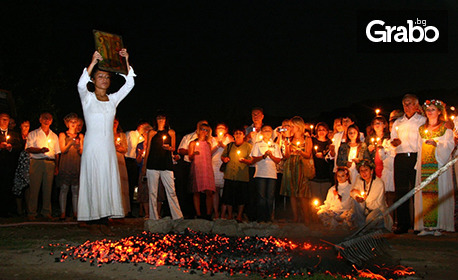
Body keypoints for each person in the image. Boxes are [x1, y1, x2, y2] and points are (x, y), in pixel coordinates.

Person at [77, 49, 135, 235]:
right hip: (92, 146)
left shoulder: (112, 100)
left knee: (106, 179)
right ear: (94, 80)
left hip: (108, 147)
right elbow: (80, 83)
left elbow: (130, 83)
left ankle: (104, 220)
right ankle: (93, 220)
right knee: (93, 179)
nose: (104, 79)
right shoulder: (87, 98)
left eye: (107, 77)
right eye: (100, 76)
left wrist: (125, 61)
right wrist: (93, 61)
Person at [414, 100, 455, 236]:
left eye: (433, 109)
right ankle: (426, 226)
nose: (430, 112)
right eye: (428, 110)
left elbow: (449, 144)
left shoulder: (445, 127)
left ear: (439, 111)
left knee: (439, 193)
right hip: (425, 164)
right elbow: (419, 147)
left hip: (438, 163)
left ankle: (438, 226)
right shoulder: (421, 129)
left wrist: (437, 144)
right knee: (424, 194)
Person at [390, 94, 426, 234]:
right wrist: (394, 143)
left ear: (416, 105)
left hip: (416, 157)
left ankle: (418, 224)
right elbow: (393, 139)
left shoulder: (422, 121)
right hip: (401, 158)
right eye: (404, 104)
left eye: (410, 103)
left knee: (417, 191)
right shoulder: (398, 122)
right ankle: (403, 224)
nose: (407, 106)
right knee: (401, 191)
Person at [142, 112, 183, 220]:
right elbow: (148, 149)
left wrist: (170, 148)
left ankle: (177, 217)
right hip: (153, 163)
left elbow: (173, 147)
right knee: (152, 192)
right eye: (158, 118)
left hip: (166, 164)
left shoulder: (171, 132)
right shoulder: (152, 132)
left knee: (171, 190)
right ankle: (154, 217)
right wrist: (144, 166)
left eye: (162, 118)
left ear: (166, 120)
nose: (160, 120)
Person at [25, 112, 61, 220]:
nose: (47, 120)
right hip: (37, 162)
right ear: (40, 120)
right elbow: (28, 148)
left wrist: (56, 166)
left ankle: (46, 212)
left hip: (50, 163)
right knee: (34, 188)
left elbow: (57, 152)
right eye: (45, 118)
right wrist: (40, 150)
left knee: (48, 188)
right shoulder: (33, 134)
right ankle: (32, 212)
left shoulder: (54, 136)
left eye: (49, 118)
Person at [280, 116, 313, 224]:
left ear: (298, 127)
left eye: (292, 126)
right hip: (290, 166)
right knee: (292, 193)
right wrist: (287, 146)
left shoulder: (307, 139)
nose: (290, 128)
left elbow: (308, 154)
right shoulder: (289, 139)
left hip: (301, 166)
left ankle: (307, 218)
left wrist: (299, 151)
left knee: (302, 193)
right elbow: (286, 156)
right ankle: (295, 217)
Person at [250, 125, 282, 222]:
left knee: (270, 196)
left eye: (269, 131)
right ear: (262, 133)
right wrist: (263, 157)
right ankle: (261, 217)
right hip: (260, 173)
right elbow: (253, 159)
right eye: (265, 131)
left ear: (272, 132)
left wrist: (271, 156)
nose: (267, 132)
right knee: (261, 197)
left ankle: (269, 218)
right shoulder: (257, 144)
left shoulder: (275, 145)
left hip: (272, 174)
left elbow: (278, 160)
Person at [177, 120, 209, 217]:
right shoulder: (189, 137)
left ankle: (204, 212)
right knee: (190, 189)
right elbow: (180, 150)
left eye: (205, 126)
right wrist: (192, 151)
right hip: (189, 164)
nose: (203, 129)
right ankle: (189, 212)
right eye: (201, 126)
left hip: (204, 166)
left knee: (204, 190)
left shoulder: (209, 139)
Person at [350, 160, 392, 231]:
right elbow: (352, 192)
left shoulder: (379, 183)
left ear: (371, 171)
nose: (364, 173)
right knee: (355, 201)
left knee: (369, 221)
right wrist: (357, 196)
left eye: (366, 170)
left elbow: (369, 200)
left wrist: (358, 193)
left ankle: (372, 227)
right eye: (361, 171)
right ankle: (361, 227)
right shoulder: (359, 179)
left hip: (377, 210)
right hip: (365, 209)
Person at [220, 128, 252, 221]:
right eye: (236, 133)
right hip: (230, 175)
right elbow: (223, 156)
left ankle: (239, 216)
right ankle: (229, 215)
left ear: (243, 135)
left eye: (240, 133)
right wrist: (224, 159)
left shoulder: (248, 146)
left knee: (241, 197)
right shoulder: (229, 146)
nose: (238, 135)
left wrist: (244, 160)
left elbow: (251, 161)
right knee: (228, 197)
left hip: (241, 175)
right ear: (233, 135)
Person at [57, 113, 84, 220]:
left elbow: (82, 151)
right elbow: (62, 150)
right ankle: (63, 212)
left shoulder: (80, 136)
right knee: (64, 188)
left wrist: (78, 147)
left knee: (75, 189)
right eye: (71, 122)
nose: (73, 124)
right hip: (66, 164)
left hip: (76, 164)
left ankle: (76, 213)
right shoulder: (63, 135)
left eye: (75, 122)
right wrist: (71, 143)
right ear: (67, 123)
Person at [188, 123, 216, 220]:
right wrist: (193, 154)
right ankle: (198, 213)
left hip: (207, 169)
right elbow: (190, 156)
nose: (204, 131)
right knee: (197, 191)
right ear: (198, 131)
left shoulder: (208, 144)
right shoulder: (193, 143)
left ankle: (208, 214)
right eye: (202, 129)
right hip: (197, 167)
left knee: (209, 191)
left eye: (206, 130)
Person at [125, 120, 150, 212]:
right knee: (131, 185)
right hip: (129, 160)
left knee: (137, 185)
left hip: (138, 164)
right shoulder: (131, 134)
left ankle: (141, 210)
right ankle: (129, 209)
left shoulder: (143, 139)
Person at [210, 123, 234, 219]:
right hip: (214, 165)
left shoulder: (229, 139)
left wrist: (223, 145)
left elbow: (232, 151)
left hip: (225, 166)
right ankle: (216, 213)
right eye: (218, 128)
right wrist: (217, 146)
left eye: (222, 128)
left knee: (225, 191)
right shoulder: (212, 139)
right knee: (215, 190)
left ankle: (223, 213)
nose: (220, 130)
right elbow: (208, 152)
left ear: (226, 130)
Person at [0, 112, 21, 217]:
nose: (5, 121)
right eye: (3, 119)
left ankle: (6, 210)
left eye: (7, 119)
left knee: (7, 187)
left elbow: (19, 147)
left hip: (8, 166)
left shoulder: (14, 134)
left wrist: (11, 148)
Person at [310, 122, 334, 207]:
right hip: (315, 173)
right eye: (319, 130)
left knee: (325, 199)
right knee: (315, 199)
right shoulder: (312, 141)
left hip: (326, 174)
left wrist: (324, 156)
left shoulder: (330, 143)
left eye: (323, 130)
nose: (321, 132)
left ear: (327, 131)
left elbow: (332, 158)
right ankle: (314, 218)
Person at [12, 119, 31, 216]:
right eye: (24, 126)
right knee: (18, 187)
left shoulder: (31, 136)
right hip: (18, 164)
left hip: (28, 165)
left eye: (28, 126)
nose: (26, 128)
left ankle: (28, 209)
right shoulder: (16, 136)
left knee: (28, 185)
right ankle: (19, 210)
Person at [114, 117, 130, 216]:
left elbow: (125, 149)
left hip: (120, 161)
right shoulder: (106, 134)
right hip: (111, 160)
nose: (114, 123)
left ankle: (123, 210)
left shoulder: (122, 135)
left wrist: (120, 148)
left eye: (116, 122)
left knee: (121, 185)